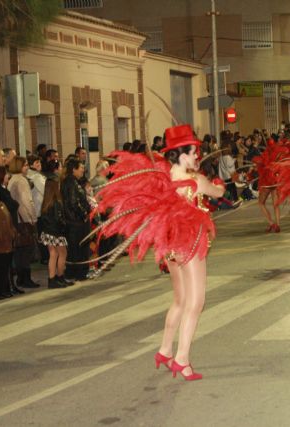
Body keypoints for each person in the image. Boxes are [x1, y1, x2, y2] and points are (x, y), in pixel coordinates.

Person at [95, 124, 225, 381]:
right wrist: (217, 182)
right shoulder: (196, 181)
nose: (197, 155)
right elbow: (218, 192)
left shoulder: (165, 179)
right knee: (195, 302)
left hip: (171, 247)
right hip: (191, 244)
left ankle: (165, 350)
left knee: (179, 300)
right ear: (183, 153)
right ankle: (182, 359)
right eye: (193, 151)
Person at [39, 160, 71, 288]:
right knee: (62, 253)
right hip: (56, 232)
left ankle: (52, 279)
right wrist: (64, 227)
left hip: (48, 232)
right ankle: (59, 277)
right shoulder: (57, 202)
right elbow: (59, 219)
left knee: (53, 254)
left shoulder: (46, 202)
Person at [8, 156, 39, 289]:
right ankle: (25, 278)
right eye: (25, 165)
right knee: (26, 250)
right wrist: (33, 218)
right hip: (24, 219)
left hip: (17, 218)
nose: (27, 167)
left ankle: (22, 277)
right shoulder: (21, 180)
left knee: (21, 251)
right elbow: (27, 201)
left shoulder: (12, 179)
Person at [62, 158, 91, 281]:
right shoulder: (71, 183)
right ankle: (79, 273)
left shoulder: (73, 182)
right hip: (76, 222)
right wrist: (84, 214)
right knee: (78, 249)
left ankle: (77, 272)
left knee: (77, 248)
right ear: (74, 169)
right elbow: (74, 203)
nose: (83, 171)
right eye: (81, 168)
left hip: (74, 221)